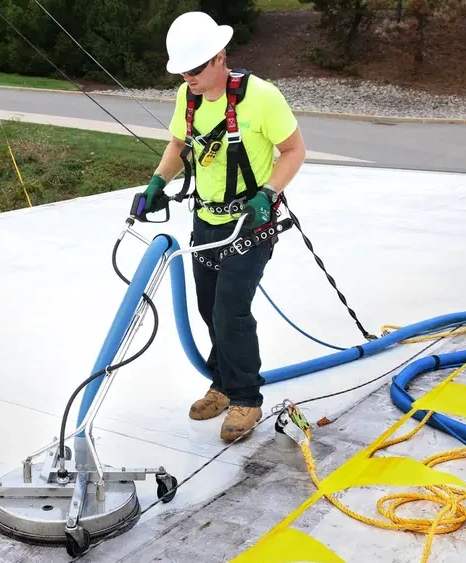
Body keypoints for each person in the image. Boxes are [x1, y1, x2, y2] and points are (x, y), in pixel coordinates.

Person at [138, 11, 306, 442]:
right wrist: (159, 181)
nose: (188, 77)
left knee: (231, 309)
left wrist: (267, 195)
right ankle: (222, 382)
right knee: (209, 308)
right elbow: (179, 144)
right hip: (207, 221)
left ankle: (246, 399)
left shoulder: (262, 97)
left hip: (251, 225)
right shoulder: (188, 98)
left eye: (195, 69)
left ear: (219, 57)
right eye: (181, 70)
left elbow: (293, 150)